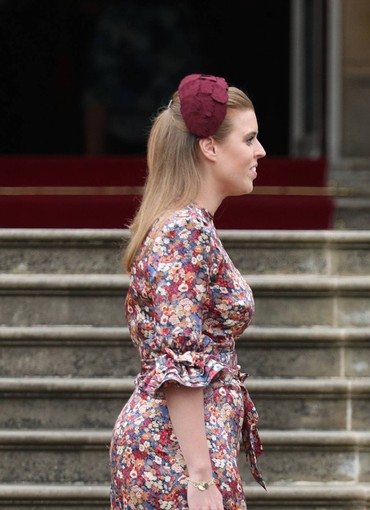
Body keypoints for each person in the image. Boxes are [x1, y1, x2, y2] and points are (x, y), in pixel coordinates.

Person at [110, 74, 267, 509]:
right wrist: (200, 477)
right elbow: (178, 358)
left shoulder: (191, 227)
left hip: (184, 447)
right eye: (250, 138)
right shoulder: (183, 231)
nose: (260, 151)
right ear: (210, 147)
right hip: (172, 456)